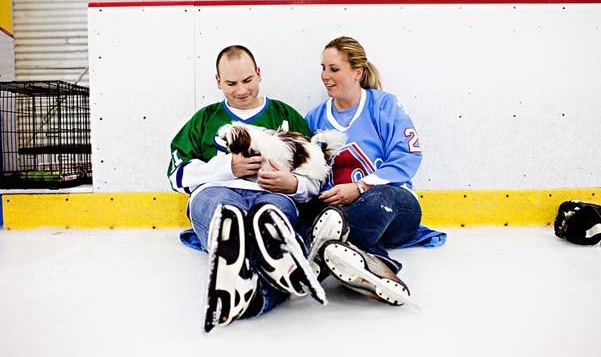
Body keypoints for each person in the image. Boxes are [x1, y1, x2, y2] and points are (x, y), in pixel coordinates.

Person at [168, 45, 325, 333]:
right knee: (224, 211)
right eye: (231, 83)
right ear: (218, 82)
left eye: (248, 80)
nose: (241, 90)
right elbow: (177, 175)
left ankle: (259, 262)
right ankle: (263, 254)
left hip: (273, 196)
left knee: (271, 213)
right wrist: (229, 168)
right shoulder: (204, 119)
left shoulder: (285, 115)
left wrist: (294, 184)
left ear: (259, 74)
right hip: (218, 191)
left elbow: (315, 175)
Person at [300, 36, 446, 306]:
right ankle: (371, 263)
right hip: (343, 214)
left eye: (334, 69)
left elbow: (408, 156)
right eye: (322, 68)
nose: (325, 76)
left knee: (377, 200)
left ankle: (321, 253)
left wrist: (359, 188)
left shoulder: (384, 106)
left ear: (358, 72)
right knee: (311, 211)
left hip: (393, 209)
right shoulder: (313, 119)